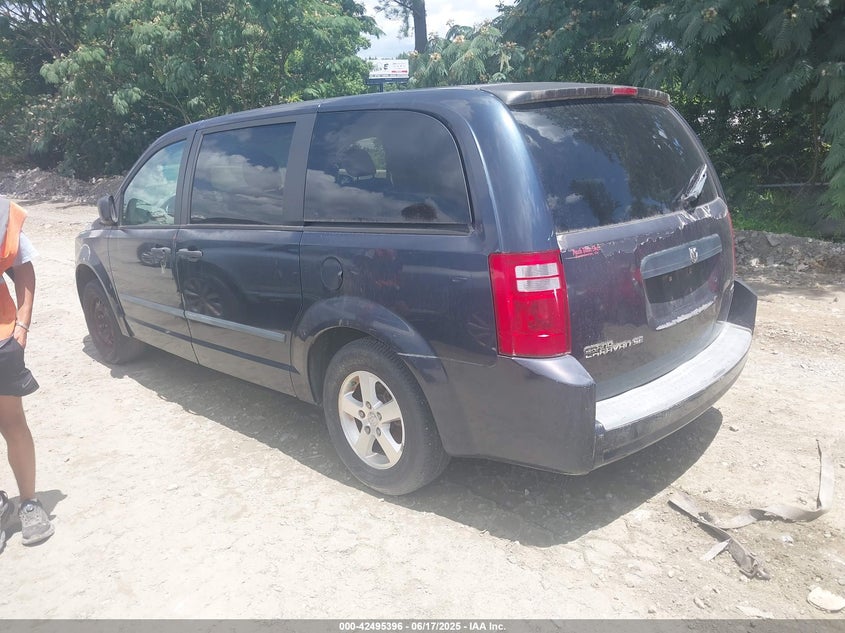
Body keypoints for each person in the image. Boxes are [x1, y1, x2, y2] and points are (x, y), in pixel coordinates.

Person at [0, 196, 53, 548]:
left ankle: (30, 503)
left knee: (11, 421)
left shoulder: (1, 212)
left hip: (1, 336)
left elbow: (23, 266)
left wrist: (23, 323)